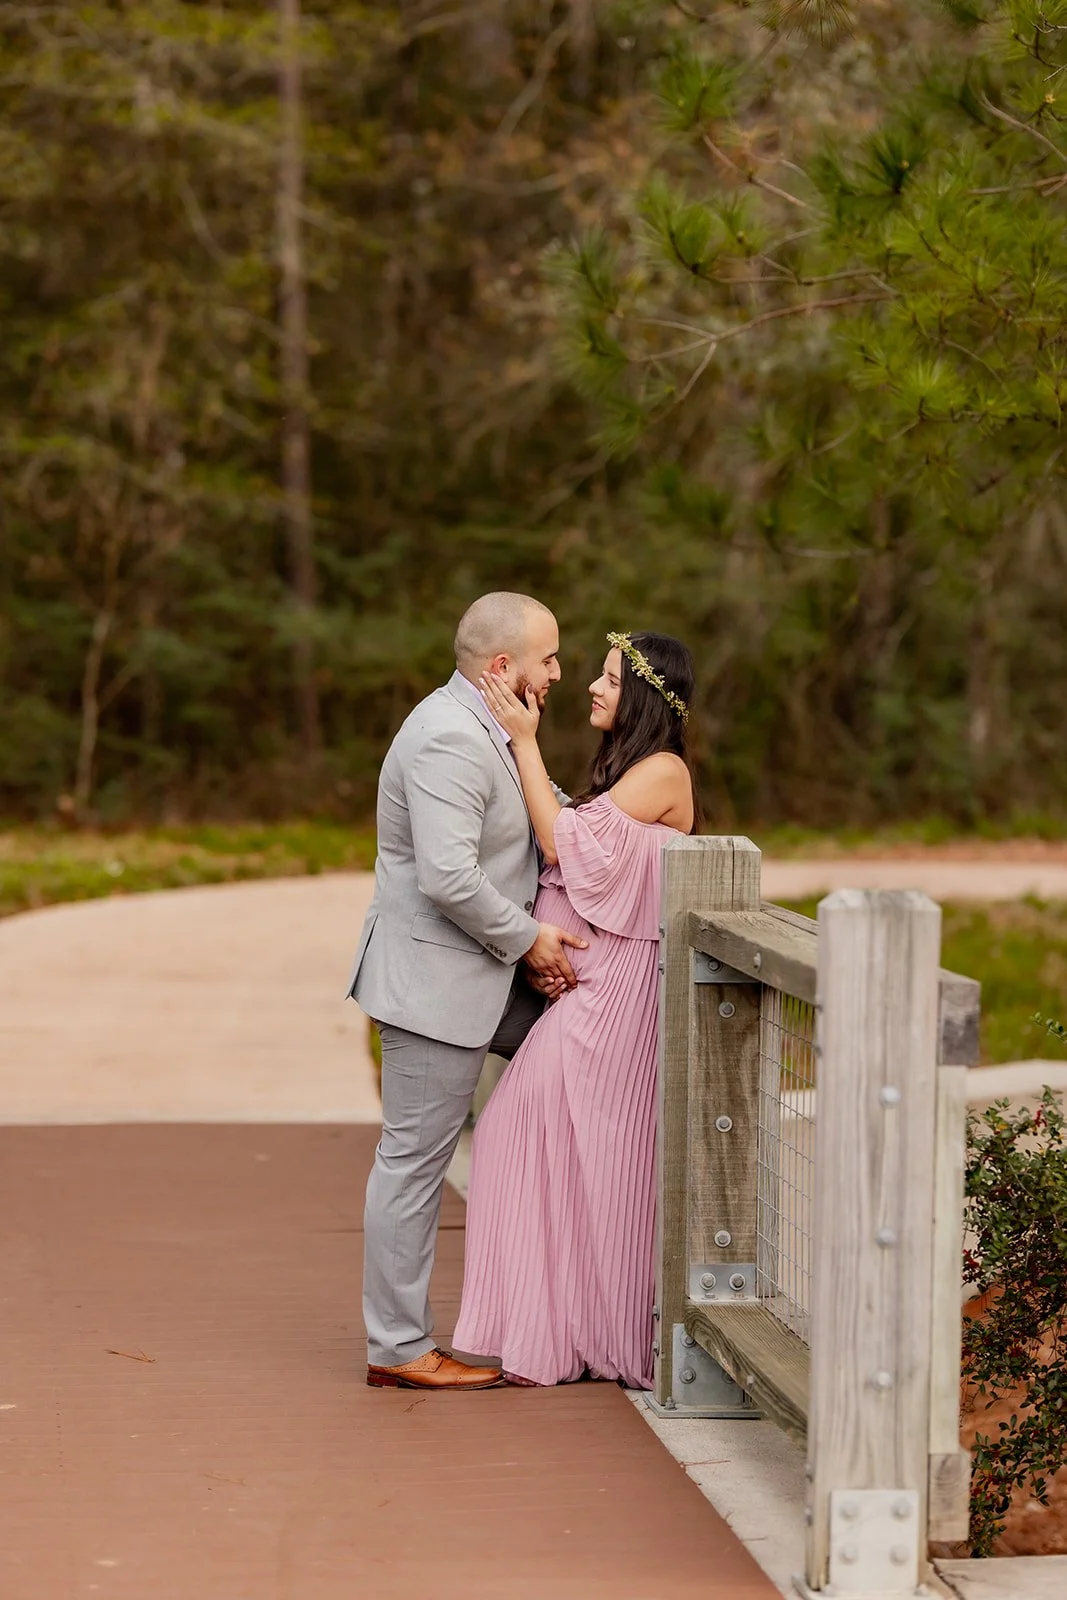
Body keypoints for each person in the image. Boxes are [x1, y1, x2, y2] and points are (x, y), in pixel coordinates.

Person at [348, 592, 588, 1392]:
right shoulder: (447, 738)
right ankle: (398, 1349)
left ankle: (573, 1306)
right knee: (413, 1163)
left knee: (597, 1061)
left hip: (481, 971)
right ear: (500, 668)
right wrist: (530, 942)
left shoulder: (495, 728)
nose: (558, 673)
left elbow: (538, 826)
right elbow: (448, 875)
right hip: (434, 981)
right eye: (547, 659)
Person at [451, 630, 697, 1388]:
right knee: (566, 1159)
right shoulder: (630, 768)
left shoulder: (662, 769)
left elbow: (562, 844)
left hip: (620, 1001)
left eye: (610, 679)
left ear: (646, 697)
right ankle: (556, 1333)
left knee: (556, 1150)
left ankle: (581, 1331)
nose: (591, 686)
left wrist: (522, 740)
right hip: (596, 990)